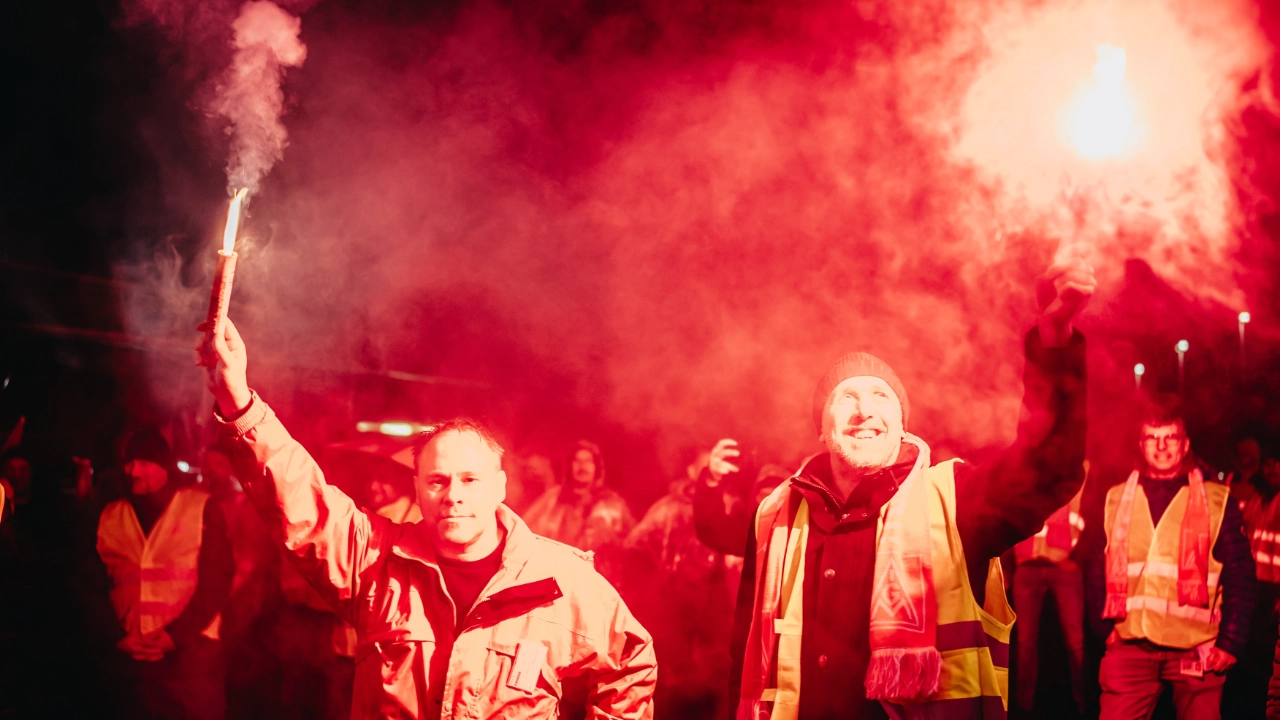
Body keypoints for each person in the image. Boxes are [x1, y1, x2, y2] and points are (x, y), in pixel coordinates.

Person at [197, 318, 657, 719]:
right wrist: (238, 401)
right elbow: (301, 500)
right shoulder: (376, 564)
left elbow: (632, 661)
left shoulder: (560, 582)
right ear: (417, 488)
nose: (453, 495)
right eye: (437, 481)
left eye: (470, 480)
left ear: (499, 487)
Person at [729, 259, 1093, 719]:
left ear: (902, 425)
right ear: (822, 428)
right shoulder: (775, 516)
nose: (864, 411)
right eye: (846, 398)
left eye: (881, 396)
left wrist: (1053, 342)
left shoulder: (952, 498)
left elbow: (1049, 468)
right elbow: (741, 660)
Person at [1082, 399, 1256, 720]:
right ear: (1141, 444)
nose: (1161, 447)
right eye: (1152, 438)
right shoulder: (1116, 497)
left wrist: (1230, 642)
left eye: (1170, 438)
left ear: (1185, 444)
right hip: (1130, 645)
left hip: (1196, 646)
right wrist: (1101, 624)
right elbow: (1095, 565)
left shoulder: (1218, 500)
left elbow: (1240, 575)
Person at [95, 429, 235, 720]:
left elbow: (217, 579)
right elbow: (90, 583)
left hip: (191, 662)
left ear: (164, 467)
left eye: (144, 463)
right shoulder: (110, 514)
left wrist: (175, 636)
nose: (133, 470)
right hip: (131, 664)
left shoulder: (200, 508)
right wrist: (116, 635)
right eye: (130, 462)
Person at [1011, 473, 1087, 713]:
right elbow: (1004, 517)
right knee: (1025, 642)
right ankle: (1023, 706)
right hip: (1027, 565)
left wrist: (1079, 558)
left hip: (1064, 564)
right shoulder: (1019, 468)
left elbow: (1090, 514)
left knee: (1076, 641)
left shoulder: (1076, 467)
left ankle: (1085, 704)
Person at [523, 440, 636, 551]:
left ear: (596, 467)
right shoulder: (553, 498)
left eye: (588, 461)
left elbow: (631, 540)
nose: (582, 466)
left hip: (596, 567)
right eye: (577, 461)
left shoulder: (612, 503)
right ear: (570, 466)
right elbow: (524, 528)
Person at [694, 448, 790, 557]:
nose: (771, 503)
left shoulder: (806, 531)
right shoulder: (752, 535)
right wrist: (711, 480)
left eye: (779, 496)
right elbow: (712, 530)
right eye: (764, 496)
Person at [1231, 436, 1265, 505]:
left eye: (1245, 453)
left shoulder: (1261, 479)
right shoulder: (1233, 476)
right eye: (1239, 453)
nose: (1241, 457)